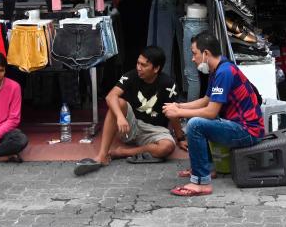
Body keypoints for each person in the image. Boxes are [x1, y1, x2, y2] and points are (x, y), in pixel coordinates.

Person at [162, 32, 264, 197]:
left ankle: (201, 182)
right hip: (238, 126)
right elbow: (205, 100)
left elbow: (210, 112)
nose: (193, 59)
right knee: (198, 121)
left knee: (195, 125)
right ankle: (206, 168)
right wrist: (178, 105)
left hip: (248, 132)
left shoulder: (224, 72)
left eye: (194, 53)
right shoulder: (218, 69)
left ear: (206, 53)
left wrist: (179, 113)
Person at [73, 46, 184, 176]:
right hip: (131, 126)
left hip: (155, 131)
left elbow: (173, 114)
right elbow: (110, 96)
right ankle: (102, 156)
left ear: (156, 68)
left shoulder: (168, 84)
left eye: (143, 65)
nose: (138, 68)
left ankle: (122, 152)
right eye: (138, 63)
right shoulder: (131, 76)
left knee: (167, 147)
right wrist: (120, 117)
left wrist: (180, 137)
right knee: (118, 103)